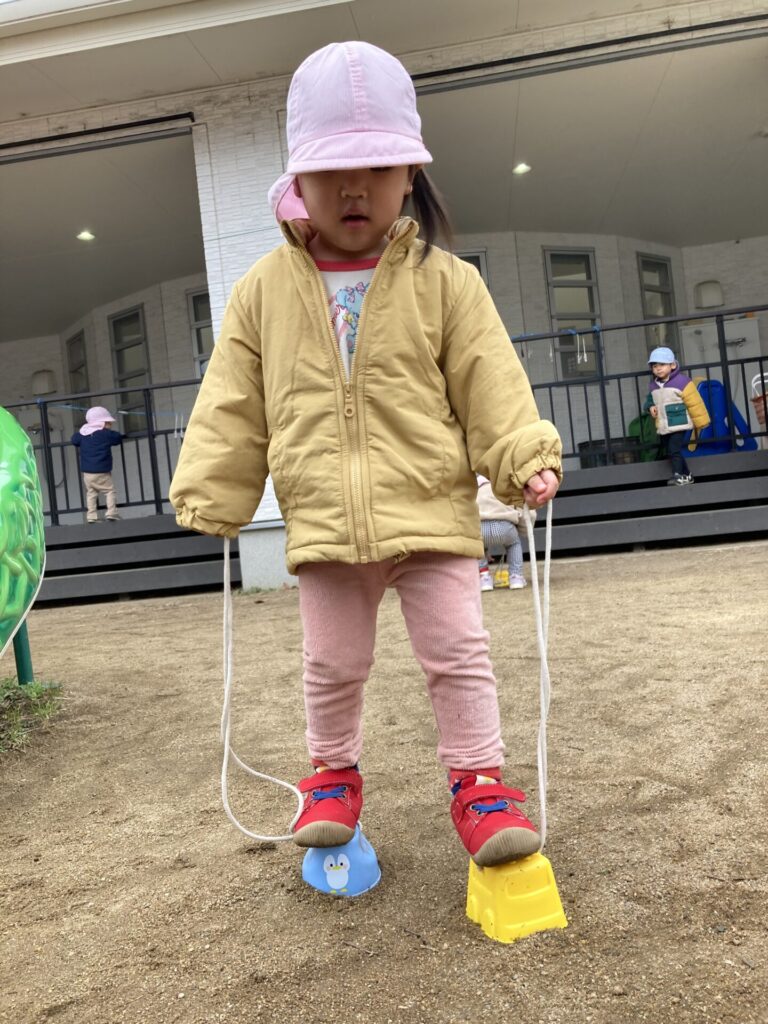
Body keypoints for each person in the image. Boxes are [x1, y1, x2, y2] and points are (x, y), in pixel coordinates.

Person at [169, 41, 562, 868]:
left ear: (411, 173)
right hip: (323, 518)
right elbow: (233, 398)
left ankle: (481, 785)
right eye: (333, 171)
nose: (356, 188)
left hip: (430, 507)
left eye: (379, 167)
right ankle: (332, 777)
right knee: (332, 662)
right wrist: (213, 485)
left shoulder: (447, 281)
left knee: (459, 656)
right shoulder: (263, 290)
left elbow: (489, 378)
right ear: (297, 178)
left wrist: (520, 451)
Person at [644, 347, 710, 485]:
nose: (658, 368)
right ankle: (687, 475)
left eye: (662, 364)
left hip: (679, 422)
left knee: (674, 450)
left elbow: (694, 403)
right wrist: (650, 407)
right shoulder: (653, 385)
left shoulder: (682, 382)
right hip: (663, 424)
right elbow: (649, 400)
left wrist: (701, 422)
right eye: (654, 366)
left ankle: (677, 475)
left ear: (672, 365)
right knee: (671, 451)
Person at [476, 475, 530, 591]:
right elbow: (524, 511)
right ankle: (516, 577)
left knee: (478, 546)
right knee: (514, 544)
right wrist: (524, 531)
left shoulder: (474, 487)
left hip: (480, 526)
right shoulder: (509, 485)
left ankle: (484, 578)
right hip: (505, 525)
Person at [71, 406, 123, 522]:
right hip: (102, 471)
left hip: (87, 473)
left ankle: (91, 516)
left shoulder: (83, 435)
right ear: (102, 423)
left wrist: (84, 429)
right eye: (108, 423)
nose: (110, 425)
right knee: (109, 491)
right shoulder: (105, 434)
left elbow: (74, 440)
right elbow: (117, 438)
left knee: (91, 493)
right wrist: (109, 431)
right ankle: (111, 513)